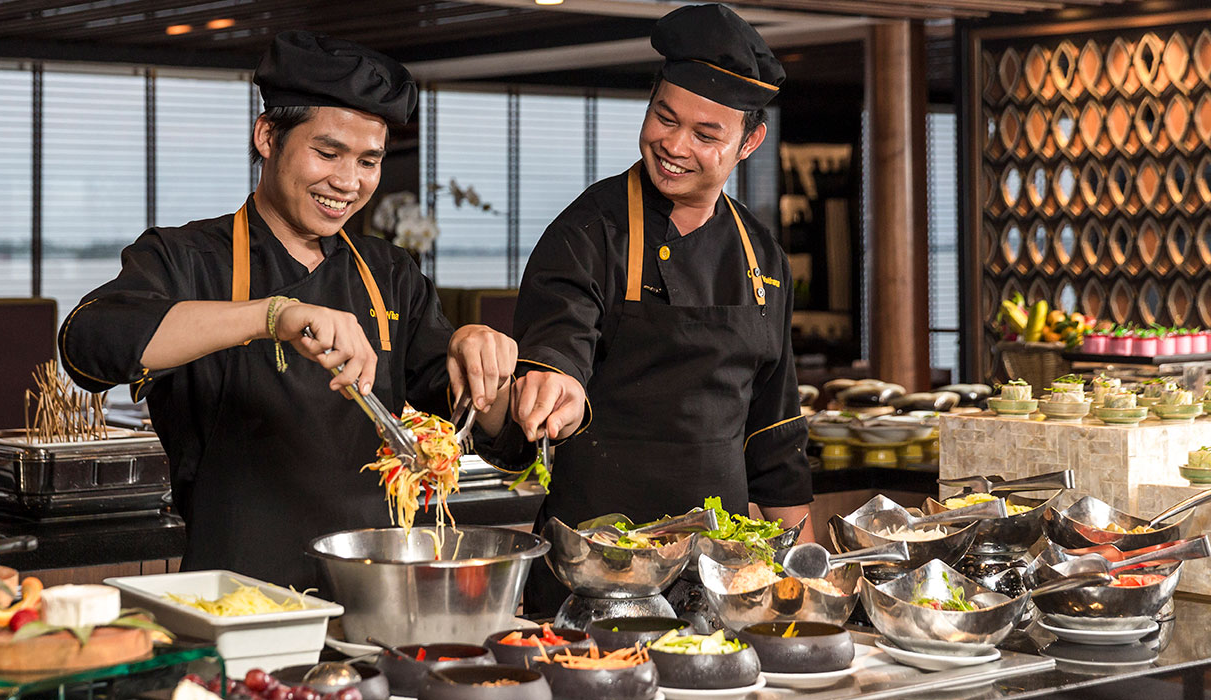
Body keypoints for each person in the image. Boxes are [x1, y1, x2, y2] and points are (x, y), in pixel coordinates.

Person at [58, 31, 516, 591]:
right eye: (328, 153)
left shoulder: (390, 274)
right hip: (235, 596)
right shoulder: (187, 258)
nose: (347, 182)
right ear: (268, 136)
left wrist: (487, 362)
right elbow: (89, 344)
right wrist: (272, 317)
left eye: (368, 161)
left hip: (377, 596)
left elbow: (488, 427)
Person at [505, 3, 814, 615]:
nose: (674, 145)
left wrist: (801, 581)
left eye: (706, 135)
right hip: (595, 569)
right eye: (664, 118)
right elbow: (559, 338)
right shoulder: (588, 231)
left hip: (720, 575)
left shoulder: (763, 257)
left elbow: (774, 430)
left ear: (749, 142)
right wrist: (553, 379)